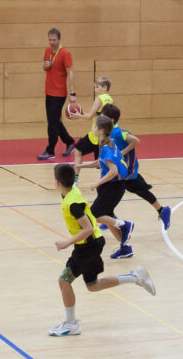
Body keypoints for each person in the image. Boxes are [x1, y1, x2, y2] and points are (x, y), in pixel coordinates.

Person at [50, 162, 155, 336]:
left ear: (57, 183)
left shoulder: (72, 203)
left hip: (89, 245)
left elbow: (88, 229)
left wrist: (66, 243)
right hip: (89, 244)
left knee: (69, 281)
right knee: (87, 284)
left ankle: (71, 324)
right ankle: (136, 278)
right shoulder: (71, 192)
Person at [100, 103, 171, 235]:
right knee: (114, 190)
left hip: (127, 170)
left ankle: (162, 210)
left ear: (111, 120)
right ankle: (107, 216)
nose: (100, 118)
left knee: (130, 190)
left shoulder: (119, 133)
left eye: (103, 116)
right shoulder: (108, 133)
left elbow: (136, 141)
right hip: (120, 169)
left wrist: (122, 152)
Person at [78, 115, 136, 259]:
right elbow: (100, 162)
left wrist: (97, 183)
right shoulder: (108, 143)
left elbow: (113, 171)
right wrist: (80, 165)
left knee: (94, 214)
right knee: (107, 217)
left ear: (101, 130)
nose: (93, 128)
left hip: (113, 187)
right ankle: (125, 248)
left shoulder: (106, 148)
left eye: (95, 126)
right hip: (112, 186)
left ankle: (124, 225)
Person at [38, 28, 76, 160]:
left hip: (59, 93)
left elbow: (70, 72)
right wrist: (45, 66)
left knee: (52, 123)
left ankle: (50, 150)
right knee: (54, 121)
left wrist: (72, 93)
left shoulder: (65, 53)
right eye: (50, 40)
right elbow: (45, 67)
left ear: (59, 40)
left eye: (54, 40)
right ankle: (70, 142)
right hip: (48, 91)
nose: (51, 42)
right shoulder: (48, 51)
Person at [68, 76, 114, 168]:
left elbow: (89, 116)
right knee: (102, 164)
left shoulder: (99, 98)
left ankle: (75, 177)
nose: (95, 90)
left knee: (78, 149)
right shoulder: (110, 99)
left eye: (97, 87)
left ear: (105, 87)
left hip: (96, 134)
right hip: (105, 134)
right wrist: (80, 114)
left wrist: (78, 116)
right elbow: (95, 115)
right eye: (94, 87)